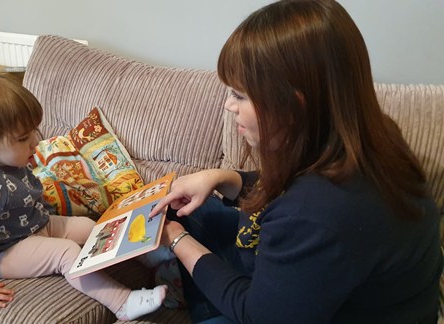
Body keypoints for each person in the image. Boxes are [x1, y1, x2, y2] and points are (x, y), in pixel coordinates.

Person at [149, 1, 442, 323]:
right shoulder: (369, 135)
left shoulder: (317, 214)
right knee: (186, 208)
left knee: (177, 226)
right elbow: (292, 185)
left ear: (292, 104)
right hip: (311, 279)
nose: (229, 106)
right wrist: (223, 177)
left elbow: (259, 314)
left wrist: (176, 239)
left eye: (240, 95)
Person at [0, 74, 167, 321]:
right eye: (23, 138)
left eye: (34, 131)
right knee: (66, 253)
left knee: (93, 227)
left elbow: (33, 196)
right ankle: (122, 303)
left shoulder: (13, 160)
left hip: (37, 224)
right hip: (1, 252)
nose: (36, 141)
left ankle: (143, 253)